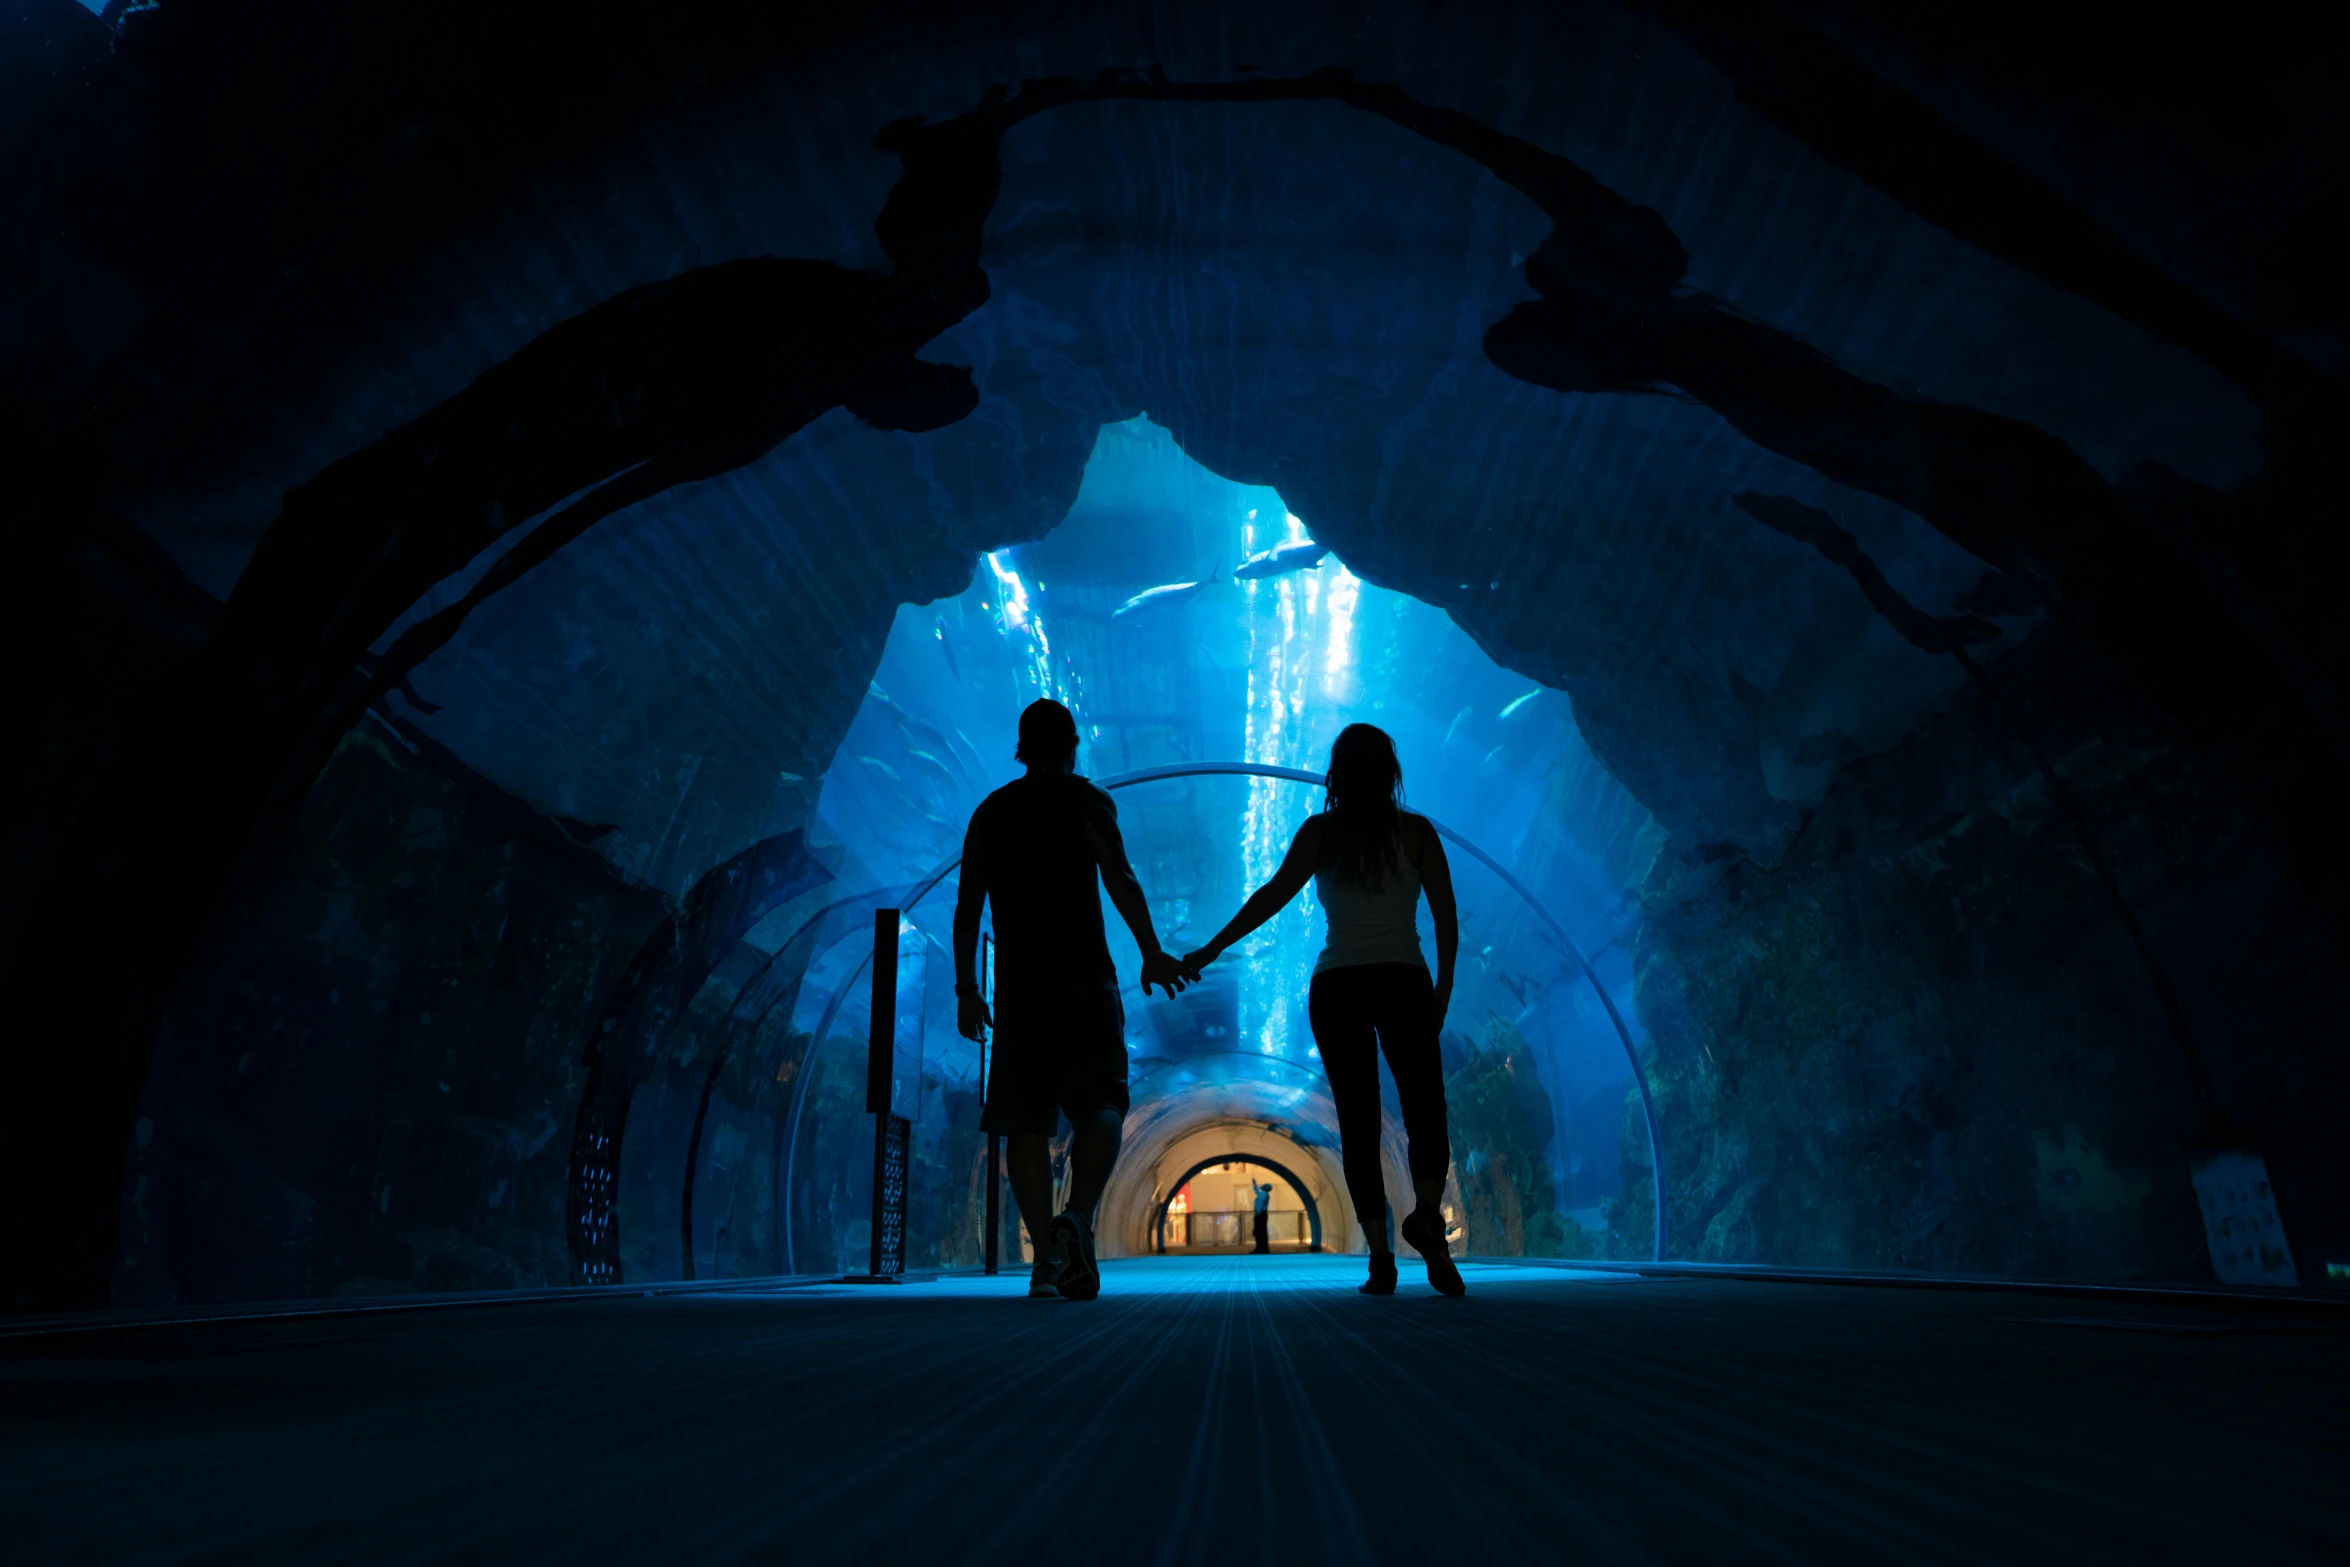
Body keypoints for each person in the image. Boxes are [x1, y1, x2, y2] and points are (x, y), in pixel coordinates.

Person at [1182, 724, 1465, 1297]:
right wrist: (1442, 992)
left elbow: (1269, 896)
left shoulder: (1322, 833)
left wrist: (1212, 948)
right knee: (1425, 1109)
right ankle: (1428, 1215)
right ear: (1391, 772)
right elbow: (1446, 920)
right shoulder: (1416, 834)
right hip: (1404, 979)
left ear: (1337, 774)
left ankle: (1381, 1259)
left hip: (1337, 985)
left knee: (1359, 1121)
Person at [955, 699, 1188, 1300]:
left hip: (1020, 992)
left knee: (1024, 1123)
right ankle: (1077, 1219)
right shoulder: (1086, 800)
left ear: (1021, 747)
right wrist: (1151, 950)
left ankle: (1043, 1260)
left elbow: (968, 906)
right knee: (1103, 1103)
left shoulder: (991, 813)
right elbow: (1119, 875)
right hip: (1085, 982)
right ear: (1072, 745)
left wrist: (966, 987)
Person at [1251, 1178, 1273, 1254]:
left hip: (1260, 1215)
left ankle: (1260, 1248)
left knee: (1259, 1233)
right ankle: (1263, 1248)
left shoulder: (1263, 1194)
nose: (1262, 1185)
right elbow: (1257, 1191)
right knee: (1262, 1232)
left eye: (1264, 1185)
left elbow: (1259, 1206)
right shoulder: (1264, 1194)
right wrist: (1254, 1183)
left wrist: (1257, 1214)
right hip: (1263, 1215)